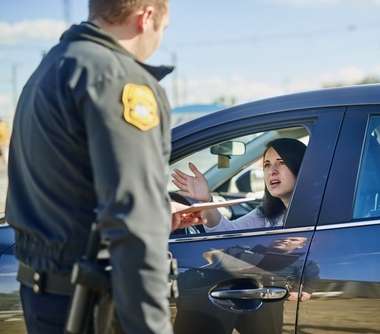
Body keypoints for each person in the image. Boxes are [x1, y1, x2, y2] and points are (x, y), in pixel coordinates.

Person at [5, 1, 205, 333]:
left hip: (43, 297)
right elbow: (132, 224)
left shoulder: (52, 67)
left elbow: (68, 191)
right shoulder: (120, 80)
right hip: (89, 307)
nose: (159, 40)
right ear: (147, 17)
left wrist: (157, 212)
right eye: (163, 29)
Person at [173, 236, 320, 334]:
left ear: (301, 245)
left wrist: (302, 290)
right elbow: (211, 261)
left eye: (293, 239)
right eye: (283, 237)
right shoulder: (240, 249)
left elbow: (306, 282)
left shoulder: (304, 263)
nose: (286, 240)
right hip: (216, 287)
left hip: (265, 294)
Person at [172, 138, 307, 232]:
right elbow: (225, 234)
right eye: (267, 165)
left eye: (281, 162)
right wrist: (206, 200)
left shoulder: (319, 216)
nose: (272, 171)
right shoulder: (268, 213)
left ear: (299, 166)